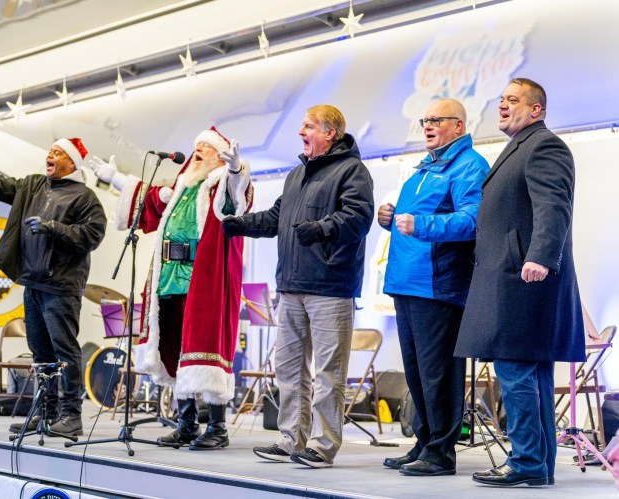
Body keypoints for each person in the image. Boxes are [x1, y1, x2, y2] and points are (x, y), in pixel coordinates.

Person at [222, 104, 374, 468]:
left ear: (329, 133)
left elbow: (358, 217)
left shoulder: (352, 171)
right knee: (289, 369)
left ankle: (322, 446)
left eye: (308, 126)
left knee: (328, 373)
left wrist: (321, 229)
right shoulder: (296, 175)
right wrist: (242, 224)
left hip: (330, 286)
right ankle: (291, 439)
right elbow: (278, 217)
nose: (300, 132)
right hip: (290, 286)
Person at [454, 78, 585, 486]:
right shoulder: (519, 147)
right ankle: (538, 465)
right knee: (530, 372)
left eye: (512, 100)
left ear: (536, 109)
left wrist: (541, 256)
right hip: (514, 277)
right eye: (501, 100)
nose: (503, 105)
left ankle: (527, 461)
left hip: (523, 278)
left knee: (515, 369)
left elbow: (554, 207)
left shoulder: (544, 146)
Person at [90, 127, 253, 450]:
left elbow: (238, 199)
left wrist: (236, 169)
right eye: (197, 146)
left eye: (206, 147)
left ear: (219, 156)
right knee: (175, 349)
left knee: (207, 347)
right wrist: (116, 178)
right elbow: (149, 200)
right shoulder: (181, 187)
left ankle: (217, 427)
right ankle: (186, 423)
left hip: (203, 280)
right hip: (169, 279)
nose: (199, 151)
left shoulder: (218, 184)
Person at [0, 138, 107, 437]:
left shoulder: (85, 197)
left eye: (57, 153)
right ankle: (46, 413)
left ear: (72, 163)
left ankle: (71, 416)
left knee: (65, 351)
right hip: (33, 281)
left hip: (61, 286)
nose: (50, 155)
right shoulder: (33, 185)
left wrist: (54, 228)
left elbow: (93, 234)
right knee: (41, 353)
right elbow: (2, 186)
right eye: (50, 151)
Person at [378, 98, 489, 477]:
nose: (427, 125)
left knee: (438, 373)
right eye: (425, 120)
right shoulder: (423, 169)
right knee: (416, 372)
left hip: (437, 286)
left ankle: (441, 452)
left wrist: (422, 224)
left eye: (436, 120)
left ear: (458, 125)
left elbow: (473, 220)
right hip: (406, 283)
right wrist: (389, 218)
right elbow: (409, 221)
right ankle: (424, 442)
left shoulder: (469, 165)